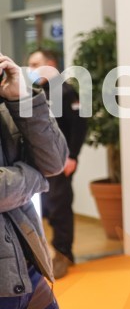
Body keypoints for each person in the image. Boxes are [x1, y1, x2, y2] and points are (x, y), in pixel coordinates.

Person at [0, 52, 71, 309]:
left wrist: (22, 99)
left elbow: (54, 161)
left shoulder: (7, 100)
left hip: (26, 278)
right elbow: (44, 173)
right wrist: (35, 177)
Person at [27, 48, 88, 279]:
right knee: (45, 207)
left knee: (59, 207)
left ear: (50, 63)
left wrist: (72, 156)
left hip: (61, 161)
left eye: (35, 64)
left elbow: (79, 126)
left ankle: (64, 254)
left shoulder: (65, 91)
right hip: (41, 162)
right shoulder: (37, 92)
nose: (31, 70)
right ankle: (43, 254)